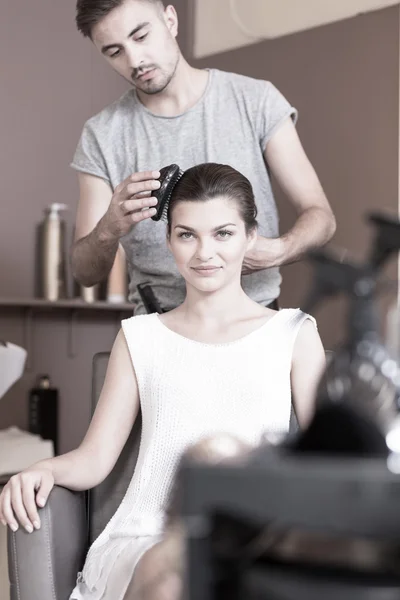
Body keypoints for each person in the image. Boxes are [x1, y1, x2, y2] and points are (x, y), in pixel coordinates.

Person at [0, 164, 326, 600]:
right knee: (178, 575)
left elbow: (330, 456)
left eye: (223, 233)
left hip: (247, 536)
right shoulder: (141, 336)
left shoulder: (294, 334)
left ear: (251, 236)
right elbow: (95, 458)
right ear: (169, 239)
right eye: (187, 234)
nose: (204, 252)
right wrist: (42, 469)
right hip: (145, 538)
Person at [70, 0, 336, 314]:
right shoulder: (102, 135)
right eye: (115, 52)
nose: (135, 60)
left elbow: (322, 218)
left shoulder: (255, 100)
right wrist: (109, 227)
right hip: (159, 328)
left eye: (141, 37)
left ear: (170, 20)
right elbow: (85, 274)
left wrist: (277, 251)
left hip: (257, 321)